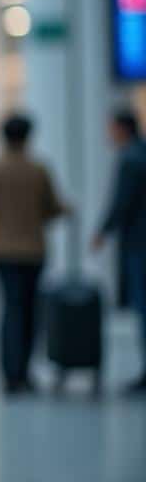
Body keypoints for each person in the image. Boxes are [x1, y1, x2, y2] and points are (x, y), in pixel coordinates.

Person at [0, 113, 66, 395]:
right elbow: (52, 208)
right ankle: (24, 372)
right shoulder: (38, 170)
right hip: (34, 251)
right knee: (30, 311)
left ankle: (10, 375)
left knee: (11, 309)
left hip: (3, 252)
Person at [93, 108, 146, 394]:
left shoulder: (130, 159)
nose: (108, 134)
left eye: (111, 128)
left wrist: (103, 231)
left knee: (143, 305)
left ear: (123, 129)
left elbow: (122, 201)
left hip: (138, 243)